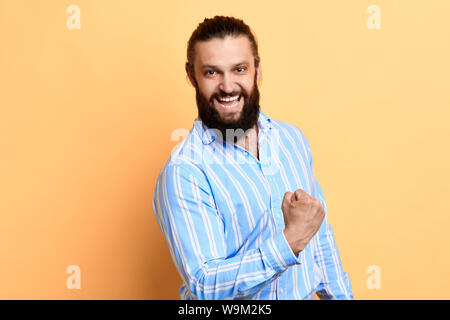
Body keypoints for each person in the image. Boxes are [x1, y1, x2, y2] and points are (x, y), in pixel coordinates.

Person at [153, 16, 353, 300]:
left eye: (239, 69)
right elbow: (205, 285)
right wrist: (288, 243)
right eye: (212, 72)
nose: (227, 86)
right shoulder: (185, 171)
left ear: (257, 70)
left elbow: (319, 237)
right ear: (191, 75)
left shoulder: (291, 140)